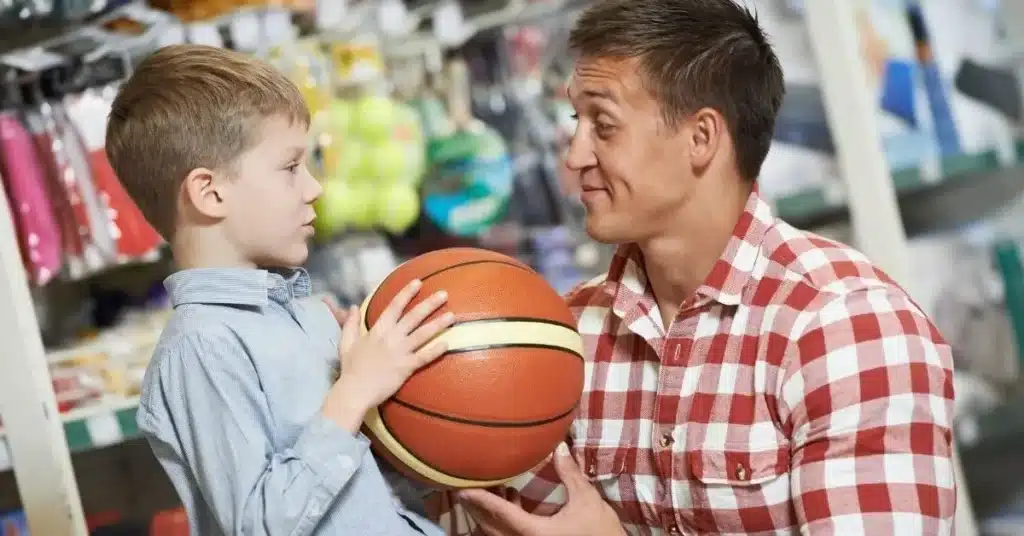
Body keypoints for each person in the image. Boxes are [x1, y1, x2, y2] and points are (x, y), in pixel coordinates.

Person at [452, 0, 957, 534]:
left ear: (701, 138)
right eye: (578, 122)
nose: (574, 156)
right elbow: (485, 513)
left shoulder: (844, 328)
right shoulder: (569, 333)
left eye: (603, 124)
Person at [107, 44, 455, 535]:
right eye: (292, 167)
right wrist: (353, 392)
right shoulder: (201, 348)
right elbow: (261, 523)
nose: (314, 188)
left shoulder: (308, 314)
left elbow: (363, 492)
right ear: (211, 193)